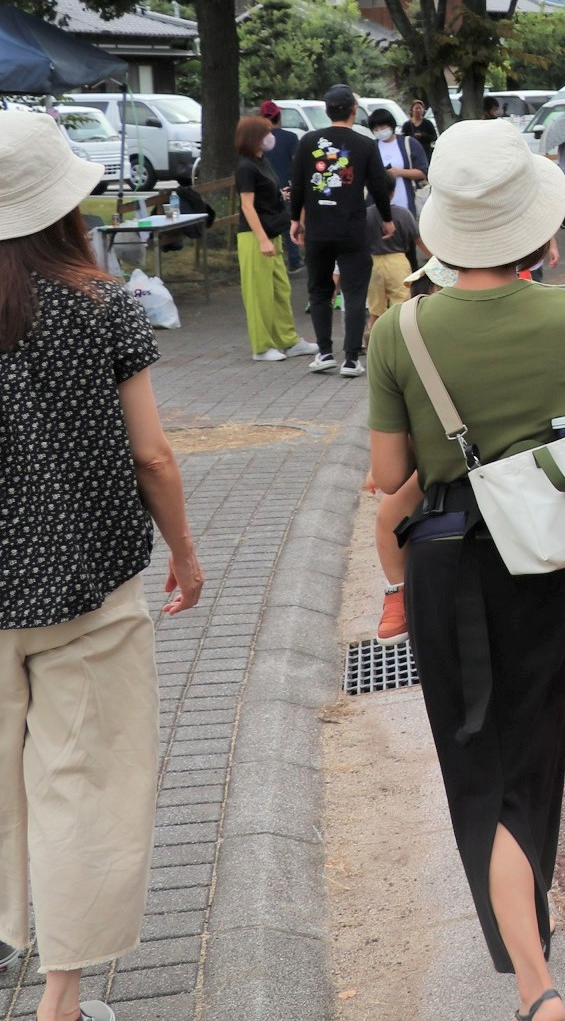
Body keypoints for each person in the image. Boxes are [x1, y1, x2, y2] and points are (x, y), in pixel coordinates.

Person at [366, 119, 565, 1021]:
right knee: (534, 757)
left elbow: (389, 479)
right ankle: (535, 969)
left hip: (441, 563)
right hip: (550, 564)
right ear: (533, 228)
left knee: (478, 768)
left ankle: (536, 985)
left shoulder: (403, 331)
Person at [0, 110, 205, 1021]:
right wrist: (186, 555)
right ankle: (62, 1000)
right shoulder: (103, 303)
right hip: (91, 588)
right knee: (84, 787)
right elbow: (153, 455)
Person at [290, 84, 395, 378]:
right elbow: (378, 184)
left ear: (326, 111)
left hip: (318, 229)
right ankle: (351, 359)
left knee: (320, 289)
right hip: (352, 228)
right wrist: (387, 219)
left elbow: (298, 183)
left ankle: (324, 353)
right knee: (354, 291)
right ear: (353, 111)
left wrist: (294, 220)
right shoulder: (364, 144)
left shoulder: (309, 141)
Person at [235, 114, 317, 362]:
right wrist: (262, 239)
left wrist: (282, 194)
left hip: (272, 233)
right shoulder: (245, 166)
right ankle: (261, 347)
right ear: (254, 138)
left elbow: (264, 194)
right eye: (266, 133)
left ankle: (288, 340)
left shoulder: (263, 162)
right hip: (254, 237)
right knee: (258, 292)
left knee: (280, 289)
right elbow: (247, 206)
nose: (271, 137)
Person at [259, 99, 303, 271]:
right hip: (286, 187)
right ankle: (294, 260)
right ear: (279, 117)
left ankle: (267, 261)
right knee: (288, 223)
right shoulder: (290, 138)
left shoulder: (258, 140)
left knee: (265, 223)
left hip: (263, 189)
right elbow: (297, 163)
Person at [367, 106, 430, 212]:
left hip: (405, 202)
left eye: (382, 127)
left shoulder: (409, 143)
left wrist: (399, 172)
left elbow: (423, 172)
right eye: (375, 129)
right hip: (378, 206)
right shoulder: (371, 146)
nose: (379, 131)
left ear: (391, 125)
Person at [368, 201, 421, 319]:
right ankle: (398, 335)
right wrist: (434, 256)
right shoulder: (404, 213)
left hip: (373, 262)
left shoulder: (367, 213)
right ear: (393, 192)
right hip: (398, 260)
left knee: (375, 309)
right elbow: (417, 239)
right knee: (401, 306)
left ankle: (374, 335)